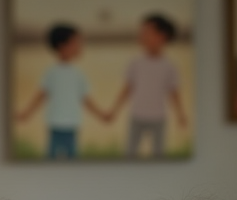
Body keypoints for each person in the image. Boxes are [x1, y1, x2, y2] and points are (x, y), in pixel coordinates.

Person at [16, 24, 110, 159]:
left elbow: (86, 100)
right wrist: (26, 113)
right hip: (55, 124)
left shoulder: (78, 74)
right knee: (52, 156)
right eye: (76, 43)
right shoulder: (51, 73)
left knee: (72, 157)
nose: (79, 47)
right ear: (62, 46)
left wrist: (102, 115)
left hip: (71, 125)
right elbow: (41, 95)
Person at [106, 13, 187, 158]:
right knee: (130, 153)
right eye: (141, 32)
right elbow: (127, 89)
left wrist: (180, 114)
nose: (141, 36)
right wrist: (114, 110)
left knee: (159, 154)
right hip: (137, 115)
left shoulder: (169, 66)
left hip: (158, 117)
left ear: (162, 36)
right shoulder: (135, 63)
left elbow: (174, 92)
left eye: (146, 32)